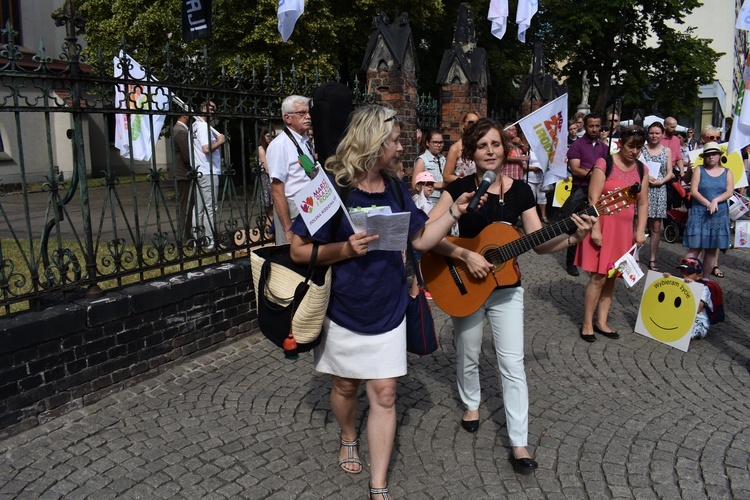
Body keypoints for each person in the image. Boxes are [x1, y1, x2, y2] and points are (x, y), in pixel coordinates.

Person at [289, 105, 480, 500]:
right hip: (343, 308)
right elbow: (297, 250)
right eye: (394, 140)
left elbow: (420, 241)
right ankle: (347, 435)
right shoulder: (331, 186)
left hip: (389, 305)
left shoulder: (394, 187)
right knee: (344, 386)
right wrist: (343, 248)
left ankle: (378, 486)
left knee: (386, 394)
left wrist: (453, 214)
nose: (400, 147)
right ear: (372, 143)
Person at [427, 118, 596, 474]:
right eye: (483, 145)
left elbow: (537, 242)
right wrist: (464, 255)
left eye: (496, 145)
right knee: (468, 352)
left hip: (506, 289)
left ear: (505, 151)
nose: (490, 151)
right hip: (465, 284)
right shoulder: (457, 188)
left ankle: (519, 442)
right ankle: (471, 403)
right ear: (471, 153)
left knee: (513, 364)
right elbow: (425, 235)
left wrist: (573, 238)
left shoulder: (521, 192)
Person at [576, 126, 649, 341]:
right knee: (598, 277)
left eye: (639, 147)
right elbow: (593, 199)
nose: (634, 151)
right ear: (621, 144)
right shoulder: (604, 163)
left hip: (624, 232)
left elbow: (643, 203)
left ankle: (602, 322)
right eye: (630, 146)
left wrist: (640, 231)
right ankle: (587, 323)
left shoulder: (642, 170)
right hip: (604, 227)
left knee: (613, 277)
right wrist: (596, 229)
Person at [565, 113, 609, 276]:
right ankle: (571, 263)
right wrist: (596, 175)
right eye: (591, 126)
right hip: (581, 189)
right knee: (575, 225)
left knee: (597, 224)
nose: (594, 129)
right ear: (585, 126)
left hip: (598, 191)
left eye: (597, 126)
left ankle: (593, 259)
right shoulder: (577, 145)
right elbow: (575, 169)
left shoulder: (604, 147)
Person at [682, 142, 734, 280]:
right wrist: (708, 203)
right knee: (695, 248)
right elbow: (693, 190)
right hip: (700, 213)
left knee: (712, 249)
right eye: (708, 154)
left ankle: (705, 280)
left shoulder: (727, 172)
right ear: (704, 156)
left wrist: (716, 200)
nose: (711, 157)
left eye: (714, 154)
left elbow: (729, 191)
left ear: (719, 156)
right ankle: (686, 277)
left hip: (719, 214)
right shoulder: (699, 170)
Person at [267, 95, 315, 244]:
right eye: (301, 113)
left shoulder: (305, 141)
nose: (308, 117)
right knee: (291, 258)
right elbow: (277, 189)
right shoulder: (280, 145)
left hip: (310, 206)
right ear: (287, 118)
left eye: (308, 113)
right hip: (293, 208)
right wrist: (288, 228)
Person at [192, 101, 225, 249]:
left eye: (214, 108)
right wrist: (220, 142)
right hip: (208, 171)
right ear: (203, 109)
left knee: (198, 208)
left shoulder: (194, 126)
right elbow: (206, 149)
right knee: (209, 208)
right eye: (210, 108)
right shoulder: (203, 127)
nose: (212, 111)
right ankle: (210, 240)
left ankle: (197, 239)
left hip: (200, 170)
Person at [641, 122, 673, 271]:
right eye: (652, 133)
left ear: (662, 135)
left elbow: (669, 173)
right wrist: (646, 179)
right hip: (643, 189)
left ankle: (652, 258)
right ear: (648, 134)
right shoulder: (641, 149)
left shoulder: (666, 150)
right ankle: (635, 255)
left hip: (659, 190)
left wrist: (661, 181)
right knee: (638, 224)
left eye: (657, 133)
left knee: (656, 226)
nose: (654, 136)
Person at [663, 257, 712, 340]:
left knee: (685, 332)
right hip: (681, 317)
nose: (684, 275)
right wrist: (668, 280)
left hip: (698, 321)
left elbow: (697, 309)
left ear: (698, 276)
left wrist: (692, 288)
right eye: (682, 271)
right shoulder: (680, 283)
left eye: (689, 273)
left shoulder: (704, 289)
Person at [173, 114, 194, 242]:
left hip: (181, 173)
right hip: (183, 174)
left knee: (186, 206)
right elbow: (187, 156)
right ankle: (185, 238)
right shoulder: (180, 131)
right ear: (184, 115)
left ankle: (186, 235)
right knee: (185, 206)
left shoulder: (178, 129)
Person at [443, 111, 480, 184]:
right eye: (471, 122)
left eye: (477, 123)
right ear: (464, 124)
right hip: (463, 189)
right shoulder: (456, 148)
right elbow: (446, 176)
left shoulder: (481, 146)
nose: (474, 126)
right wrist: (468, 181)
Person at [411, 128, 446, 206]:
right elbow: (415, 184)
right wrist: (436, 185)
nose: (439, 145)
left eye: (441, 142)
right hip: (429, 200)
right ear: (427, 143)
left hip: (444, 199)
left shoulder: (443, 159)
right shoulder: (422, 160)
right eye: (435, 142)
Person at [256, 128, 273, 235]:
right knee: (270, 209)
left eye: (272, 136)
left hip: (271, 178)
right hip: (266, 179)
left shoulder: (272, 147)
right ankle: (268, 232)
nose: (270, 139)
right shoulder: (261, 149)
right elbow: (266, 167)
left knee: (274, 208)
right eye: (268, 136)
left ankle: (271, 231)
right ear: (263, 136)